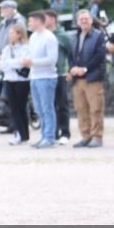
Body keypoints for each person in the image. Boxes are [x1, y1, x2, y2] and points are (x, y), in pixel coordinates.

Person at [68, 10, 107, 148]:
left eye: (86, 18)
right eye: (81, 19)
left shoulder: (98, 36)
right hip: (77, 79)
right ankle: (86, 136)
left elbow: (99, 56)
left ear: (91, 20)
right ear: (77, 21)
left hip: (93, 78)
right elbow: (71, 56)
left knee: (95, 108)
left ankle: (97, 136)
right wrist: (72, 68)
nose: (83, 21)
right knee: (81, 108)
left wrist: (85, 68)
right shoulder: (74, 37)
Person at [22, 11, 58, 149]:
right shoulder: (33, 37)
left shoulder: (49, 37)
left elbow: (51, 59)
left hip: (47, 77)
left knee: (47, 108)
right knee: (38, 108)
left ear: (38, 21)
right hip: (35, 77)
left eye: (31, 21)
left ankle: (49, 137)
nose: (29, 24)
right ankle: (44, 135)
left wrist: (33, 62)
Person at [0, 0, 24, 135]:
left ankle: (17, 125)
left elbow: (19, 40)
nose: (2, 10)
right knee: (7, 96)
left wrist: (6, 56)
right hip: (4, 62)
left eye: (4, 8)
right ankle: (11, 123)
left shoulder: (19, 21)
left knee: (16, 97)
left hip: (14, 64)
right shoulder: (3, 22)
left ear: (12, 8)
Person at [44, 10, 73, 145]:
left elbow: (72, 53)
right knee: (49, 105)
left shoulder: (63, 36)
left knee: (62, 104)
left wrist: (69, 70)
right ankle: (52, 132)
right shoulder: (42, 35)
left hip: (60, 73)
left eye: (47, 18)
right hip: (46, 74)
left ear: (54, 19)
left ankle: (65, 132)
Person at [0, 23, 31, 145]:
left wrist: (11, 63)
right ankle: (18, 132)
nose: (10, 35)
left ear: (19, 34)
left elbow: (24, 62)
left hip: (21, 81)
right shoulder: (7, 49)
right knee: (13, 108)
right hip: (9, 79)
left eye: (12, 33)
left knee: (21, 107)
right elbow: (3, 65)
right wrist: (14, 63)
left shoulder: (26, 48)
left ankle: (24, 133)